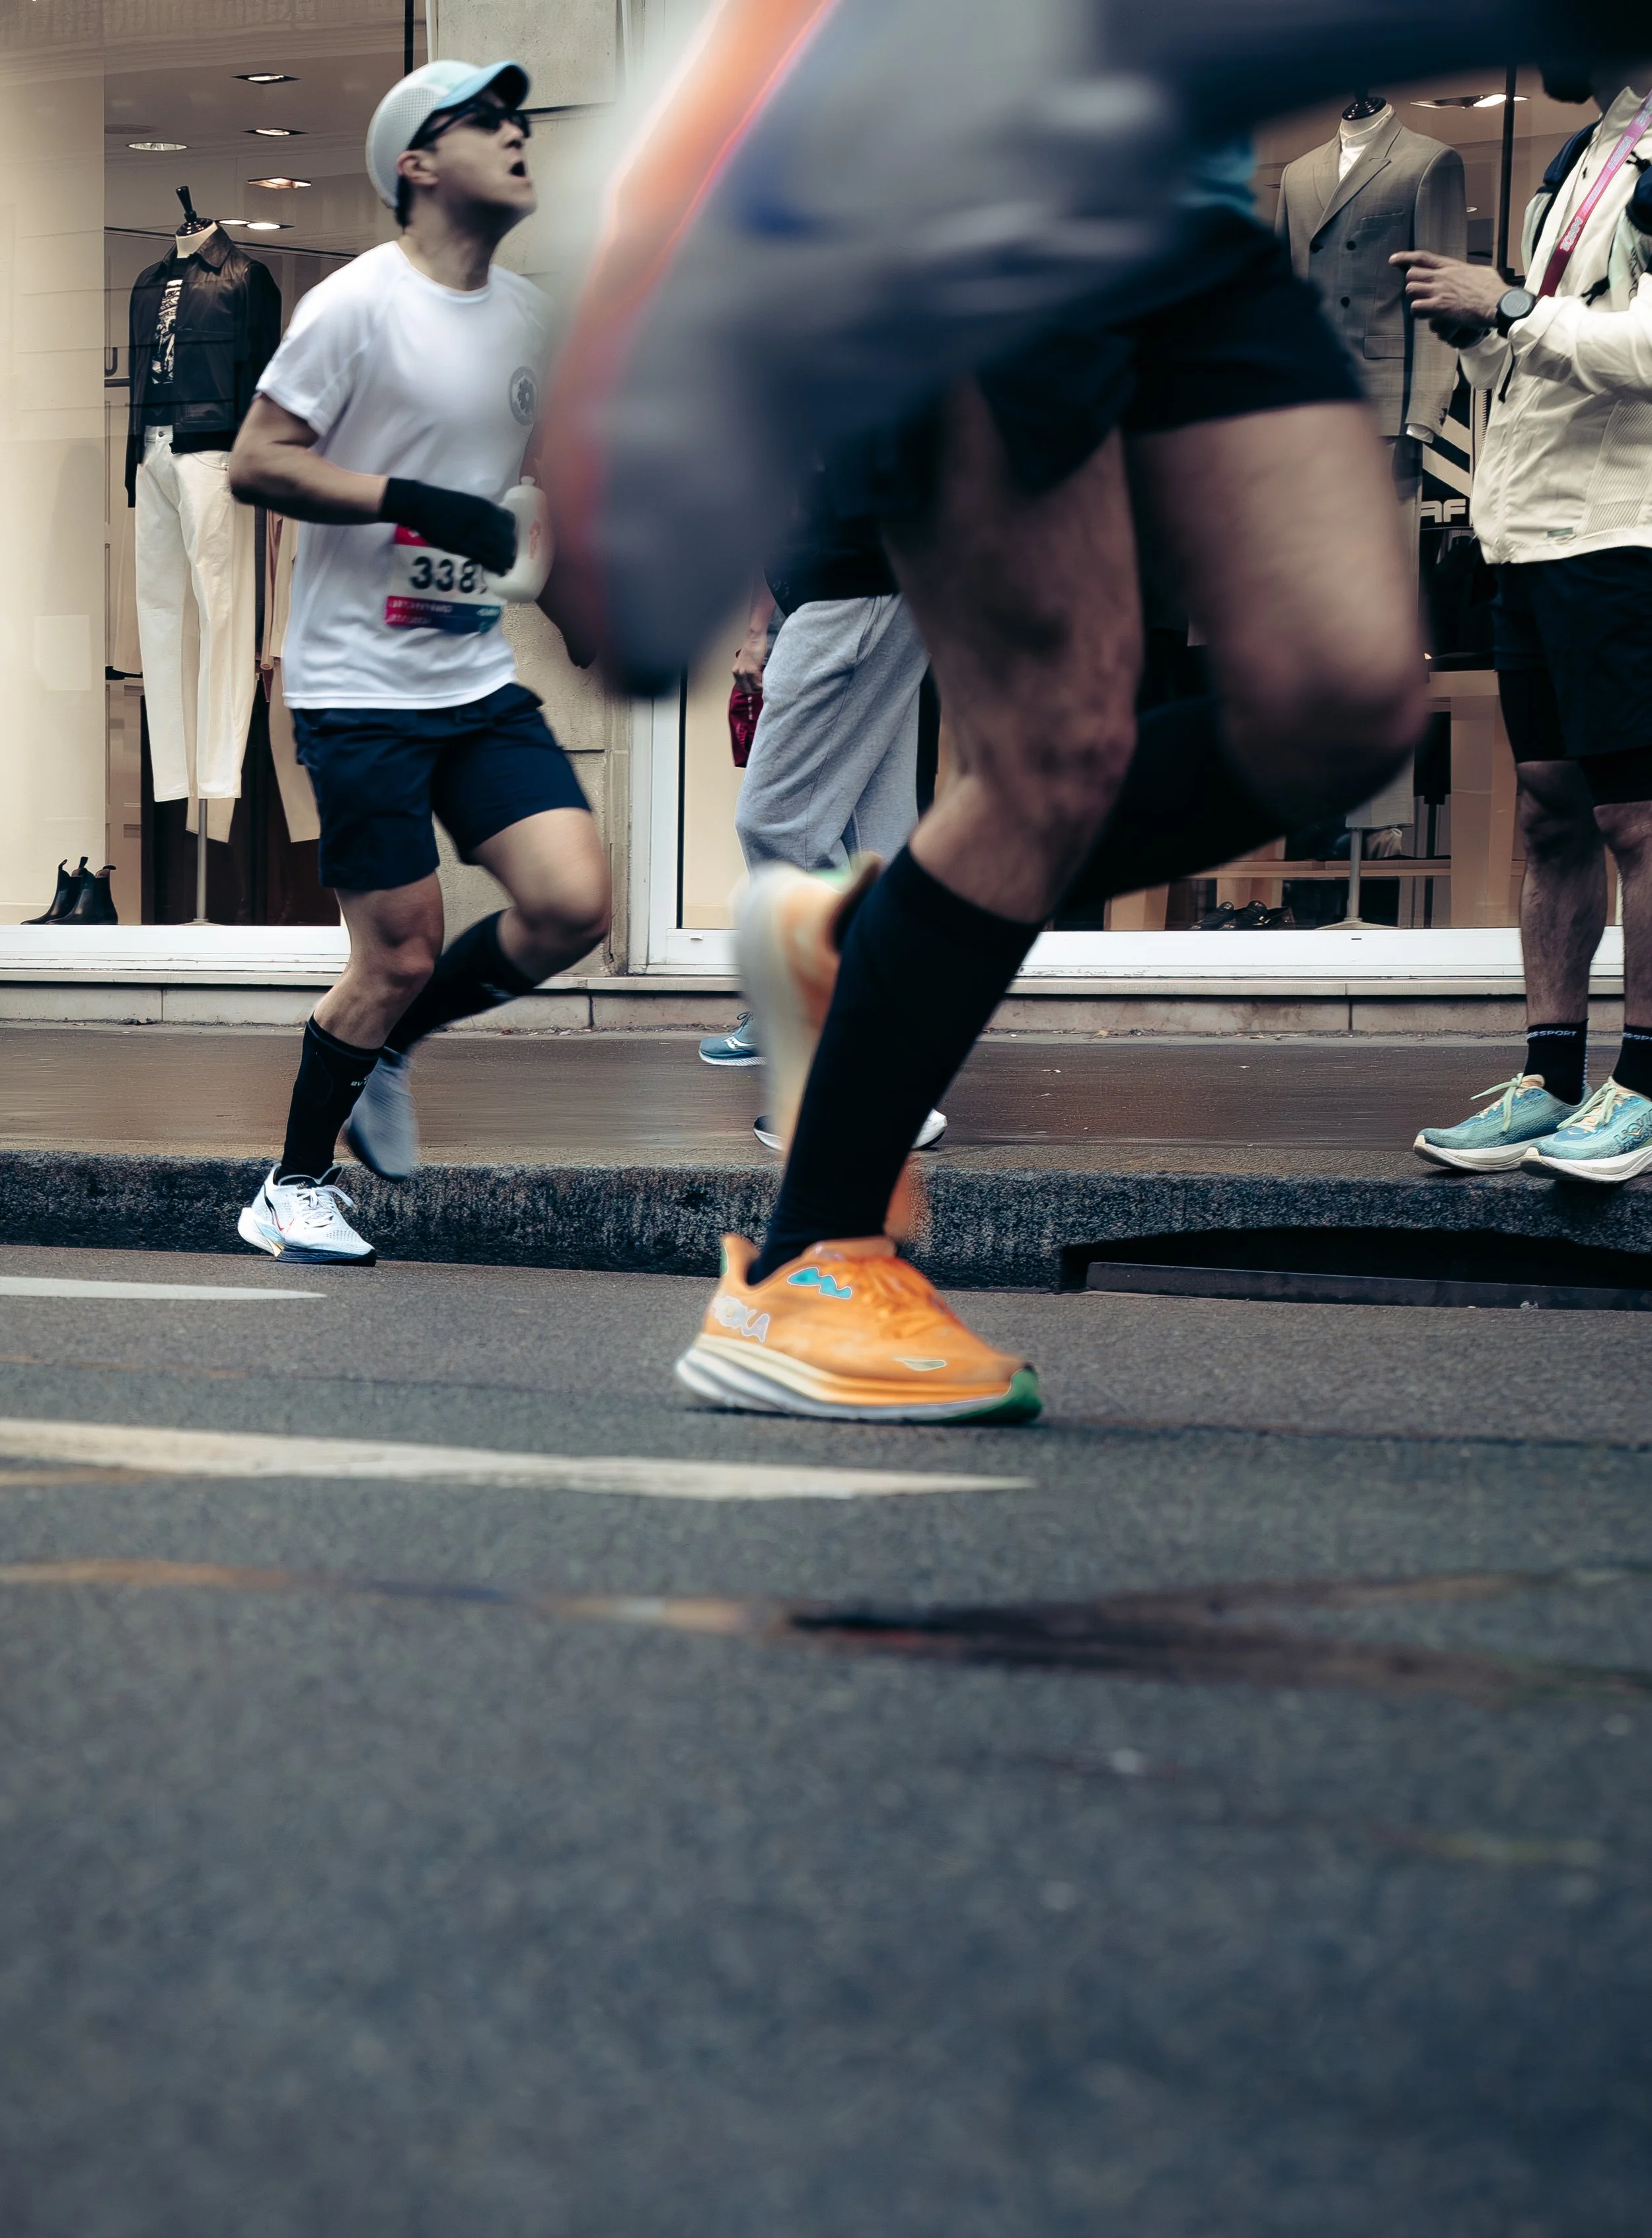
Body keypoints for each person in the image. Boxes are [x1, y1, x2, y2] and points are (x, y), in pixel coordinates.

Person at [542, 0, 1640, 1420]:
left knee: (1339, 702)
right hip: (968, 180)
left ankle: (872, 929)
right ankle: (808, 1269)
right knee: (1050, 756)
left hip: (1173, 204)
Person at [229, 57, 609, 1265]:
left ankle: (395, 1045)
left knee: (571, 905)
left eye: (520, 117)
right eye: (484, 120)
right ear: (416, 163)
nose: (515, 134)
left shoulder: (530, 319)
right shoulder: (354, 305)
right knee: (391, 951)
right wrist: (415, 504)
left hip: (472, 678)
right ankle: (288, 1185)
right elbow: (256, 461)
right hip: (356, 692)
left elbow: (540, 485)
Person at [1408, 58, 1652, 1181]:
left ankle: (1645, 1090)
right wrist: (1476, 327)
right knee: (1552, 810)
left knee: (1639, 821)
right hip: (1528, 531)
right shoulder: (1579, 154)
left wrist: (1508, 304)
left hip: (1625, 536)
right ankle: (1552, 1080)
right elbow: (1540, 355)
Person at [698, 463, 947, 1151]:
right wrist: (762, 625)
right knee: (875, 843)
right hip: (852, 591)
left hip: (855, 591)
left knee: (777, 824)